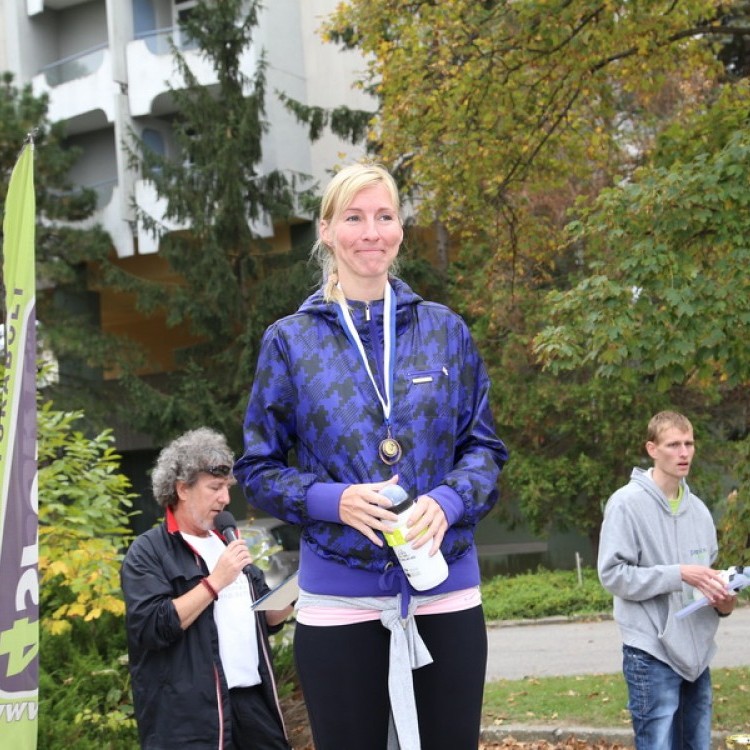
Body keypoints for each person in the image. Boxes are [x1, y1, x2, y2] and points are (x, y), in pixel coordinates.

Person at [233, 162, 509, 750]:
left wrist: (449, 499)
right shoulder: (290, 340)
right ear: (327, 230)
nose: (371, 232)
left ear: (401, 229)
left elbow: (484, 448)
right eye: (354, 218)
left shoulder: (444, 331)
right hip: (338, 594)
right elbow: (257, 468)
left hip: (446, 585)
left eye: (385, 217)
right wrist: (333, 501)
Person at [121, 427, 293, 750]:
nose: (226, 499)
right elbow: (150, 626)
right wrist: (215, 582)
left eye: (226, 488)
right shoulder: (148, 551)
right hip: (191, 719)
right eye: (215, 488)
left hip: (253, 705)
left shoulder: (227, 540)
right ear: (182, 489)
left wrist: (292, 598)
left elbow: (264, 620)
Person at [598, 411, 736, 750]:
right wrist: (678, 574)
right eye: (674, 444)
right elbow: (614, 576)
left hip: (697, 659)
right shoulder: (625, 504)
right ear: (652, 449)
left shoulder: (701, 511)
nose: (684, 452)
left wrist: (724, 602)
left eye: (689, 443)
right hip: (650, 652)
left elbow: (706, 581)